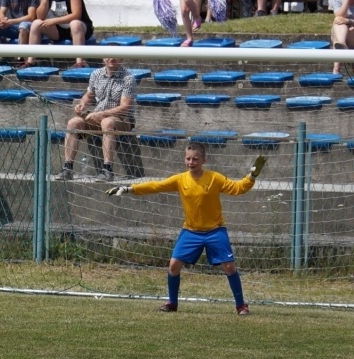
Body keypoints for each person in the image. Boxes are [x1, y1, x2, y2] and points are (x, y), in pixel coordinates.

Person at [105, 144, 267, 315]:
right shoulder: (181, 179)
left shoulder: (215, 178)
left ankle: (241, 305)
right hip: (191, 231)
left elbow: (238, 188)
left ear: (204, 160)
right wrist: (129, 189)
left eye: (195, 159)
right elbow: (156, 186)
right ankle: (172, 303)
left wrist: (252, 176)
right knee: (174, 266)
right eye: (188, 158)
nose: (191, 162)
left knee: (229, 267)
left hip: (215, 231)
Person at [54, 54, 136, 182]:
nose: (111, 58)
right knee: (73, 122)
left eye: (115, 56)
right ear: (103, 58)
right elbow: (88, 95)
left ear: (122, 59)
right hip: (98, 116)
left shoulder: (128, 78)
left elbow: (125, 107)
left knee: (107, 122)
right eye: (108, 56)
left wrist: (101, 114)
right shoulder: (96, 74)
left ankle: (107, 169)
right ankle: (68, 168)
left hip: (122, 119)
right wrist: (82, 104)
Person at [22, 0, 94, 68]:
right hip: (59, 29)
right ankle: (31, 61)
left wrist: (54, 21)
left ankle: (79, 63)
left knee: (75, 24)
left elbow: (76, 15)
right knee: (36, 23)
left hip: (80, 28)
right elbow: (40, 16)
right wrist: (44, 2)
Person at [331, 0, 354, 75]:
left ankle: (336, 70)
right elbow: (339, 16)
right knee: (338, 23)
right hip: (344, 34)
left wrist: (348, 21)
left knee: (339, 24)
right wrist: (346, 1)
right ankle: (342, 45)